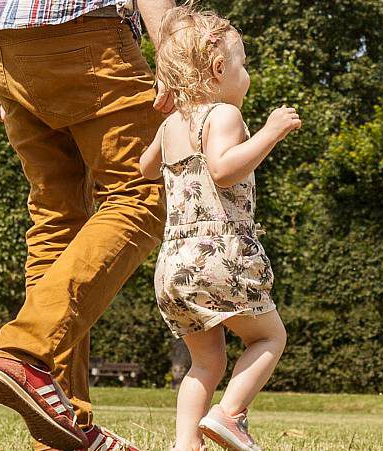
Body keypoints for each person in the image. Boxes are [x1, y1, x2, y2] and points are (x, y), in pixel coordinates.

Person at [0, 0, 175, 450]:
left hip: (3, 44)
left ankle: (63, 424)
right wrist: (173, 53)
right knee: (143, 192)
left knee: (56, 218)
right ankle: (25, 349)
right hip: (84, 37)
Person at [134, 6, 299, 451]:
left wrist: (165, 117)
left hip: (174, 267)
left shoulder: (171, 125)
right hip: (218, 255)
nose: (247, 76)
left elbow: (147, 168)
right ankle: (230, 415)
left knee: (205, 363)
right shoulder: (223, 115)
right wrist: (269, 133)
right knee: (269, 335)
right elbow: (224, 170)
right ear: (219, 68)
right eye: (243, 65)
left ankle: (186, 445)